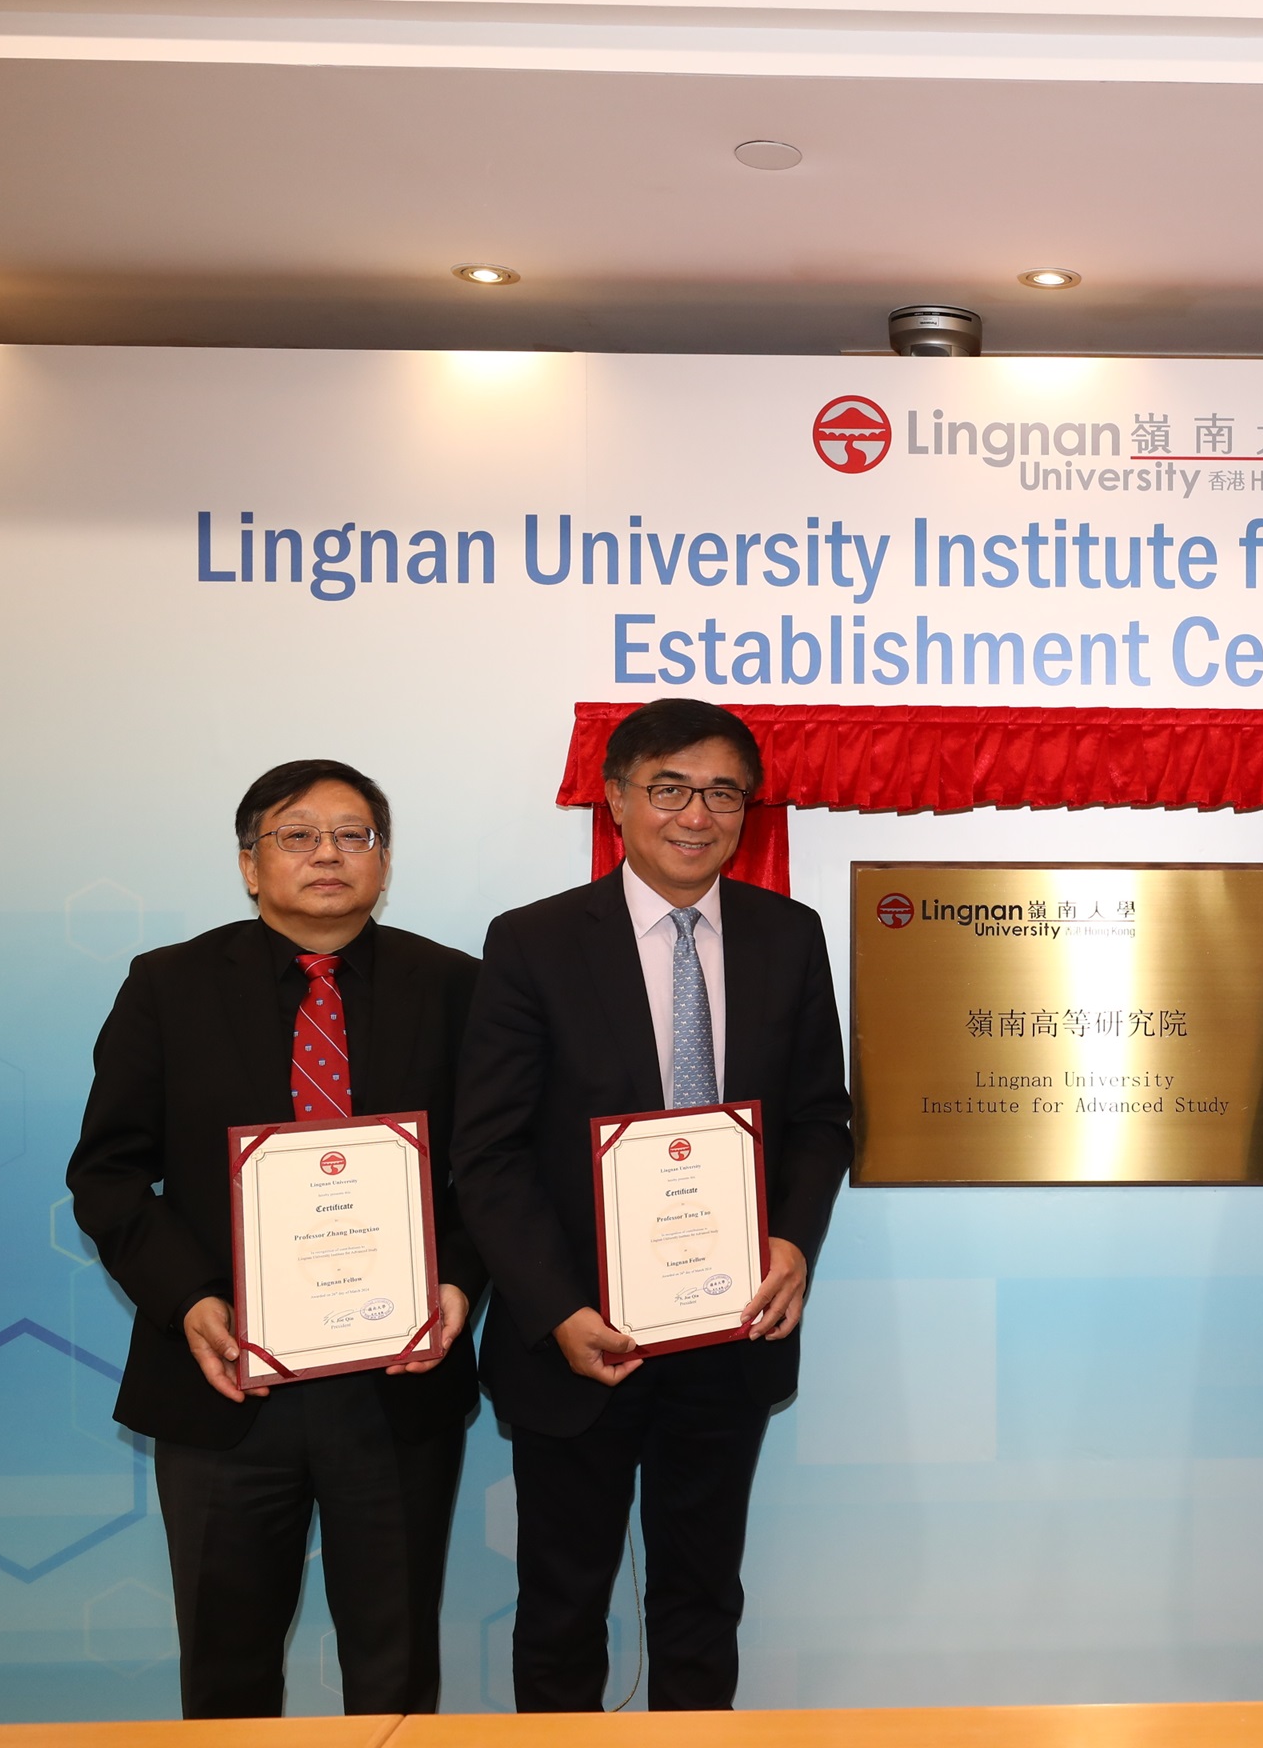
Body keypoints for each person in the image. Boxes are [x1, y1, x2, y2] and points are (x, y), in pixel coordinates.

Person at [451, 696, 852, 1712]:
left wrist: (793, 1243)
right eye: (669, 787)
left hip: (728, 1328)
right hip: (579, 1336)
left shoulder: (788, 936)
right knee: (561, 1601)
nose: (696, 813)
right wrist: (557, 1309)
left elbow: (821, 1121)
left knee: (701, 1597)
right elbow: (488, 1152)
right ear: (618, 800)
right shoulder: (534, 943)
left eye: (724, 792)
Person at [67, 759, 484, 1719]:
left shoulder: (455, 986)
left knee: (395, 1671)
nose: (329, 854)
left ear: (384, 861)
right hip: (224, 1382)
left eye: (354, 835)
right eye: (298, 835)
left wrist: (458, 1281)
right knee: (226, 1672)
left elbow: (490, 1171)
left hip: (397, 1382)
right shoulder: (167, 985)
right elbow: (109, 1172)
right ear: (251, 866)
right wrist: (190, 1303)